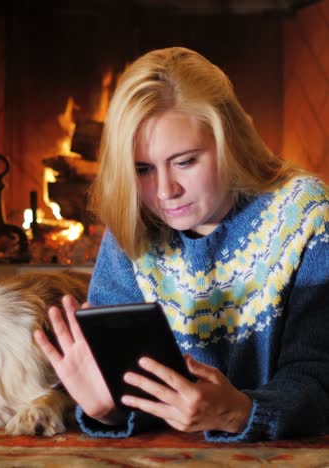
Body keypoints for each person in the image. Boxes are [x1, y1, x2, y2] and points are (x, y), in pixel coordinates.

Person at [34, 46, 329, 442]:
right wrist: (106, 410)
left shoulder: (305, 214)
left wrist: (239, 412)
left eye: (185, 161)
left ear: (230, 142)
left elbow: (317, 375)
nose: (165, 191)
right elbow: (129, 394)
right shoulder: (134, 220)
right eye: (142, 169)